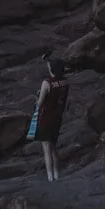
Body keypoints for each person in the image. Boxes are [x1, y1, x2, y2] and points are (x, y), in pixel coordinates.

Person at [32, 54, 69, 182]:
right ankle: (57, 173)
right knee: (54, 147)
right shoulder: (65, 82)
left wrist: (37, 98)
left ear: (52, 69)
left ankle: (50, 177)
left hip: (46, 118)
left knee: (46, 149)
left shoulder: (47, 83)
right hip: (57, 118)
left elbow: (40, 103)